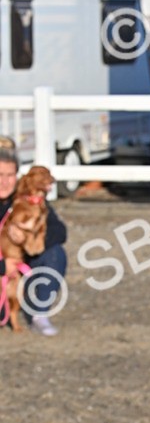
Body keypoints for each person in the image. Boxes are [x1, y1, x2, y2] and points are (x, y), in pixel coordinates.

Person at [0, 138, 67, 336]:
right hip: (3, 265)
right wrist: (4, 266)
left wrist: (28, 237)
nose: (5, 181)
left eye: (10, 175)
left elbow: (60, 231)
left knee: (56, 253)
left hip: (24, 265)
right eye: (0, 174)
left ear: (18, 176)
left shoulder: (27, 198)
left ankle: (39, 313)